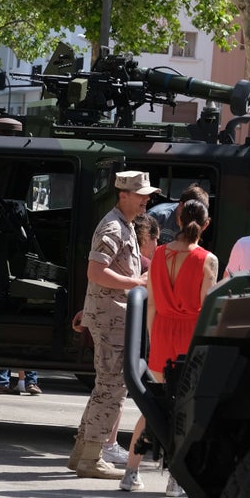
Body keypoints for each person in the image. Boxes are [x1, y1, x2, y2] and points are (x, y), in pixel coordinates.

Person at [121, 199, 218, 496]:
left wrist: (153, 337)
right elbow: (206, 310)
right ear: (206, 224)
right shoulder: (207, 259)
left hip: (162, 331)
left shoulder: (160, 254)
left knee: (154, 406)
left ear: (177, 220)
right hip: (190, 336)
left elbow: (149, 307)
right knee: (185, 411)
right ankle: (176, 478)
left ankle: (131, 471)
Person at [67, 169, 157, 480]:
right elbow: (96, 272)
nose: (146, 200)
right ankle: (92, 457)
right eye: (142, 195)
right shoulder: (112, 227)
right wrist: (136, 282)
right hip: (112, 320)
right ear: (123, 195)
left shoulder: (125, 225)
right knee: (112, 389)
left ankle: (82, 453)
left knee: (104, 387)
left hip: (112, 316)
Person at [100, 212, 161, 465]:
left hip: (115, 323)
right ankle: (107, 444)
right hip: (126, 329)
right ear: (146, 238)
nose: (157, 247)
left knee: (111, 388)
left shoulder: (130, 261)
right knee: (116, 389)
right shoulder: (145, 265)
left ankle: (104, 442)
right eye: (155, 240)